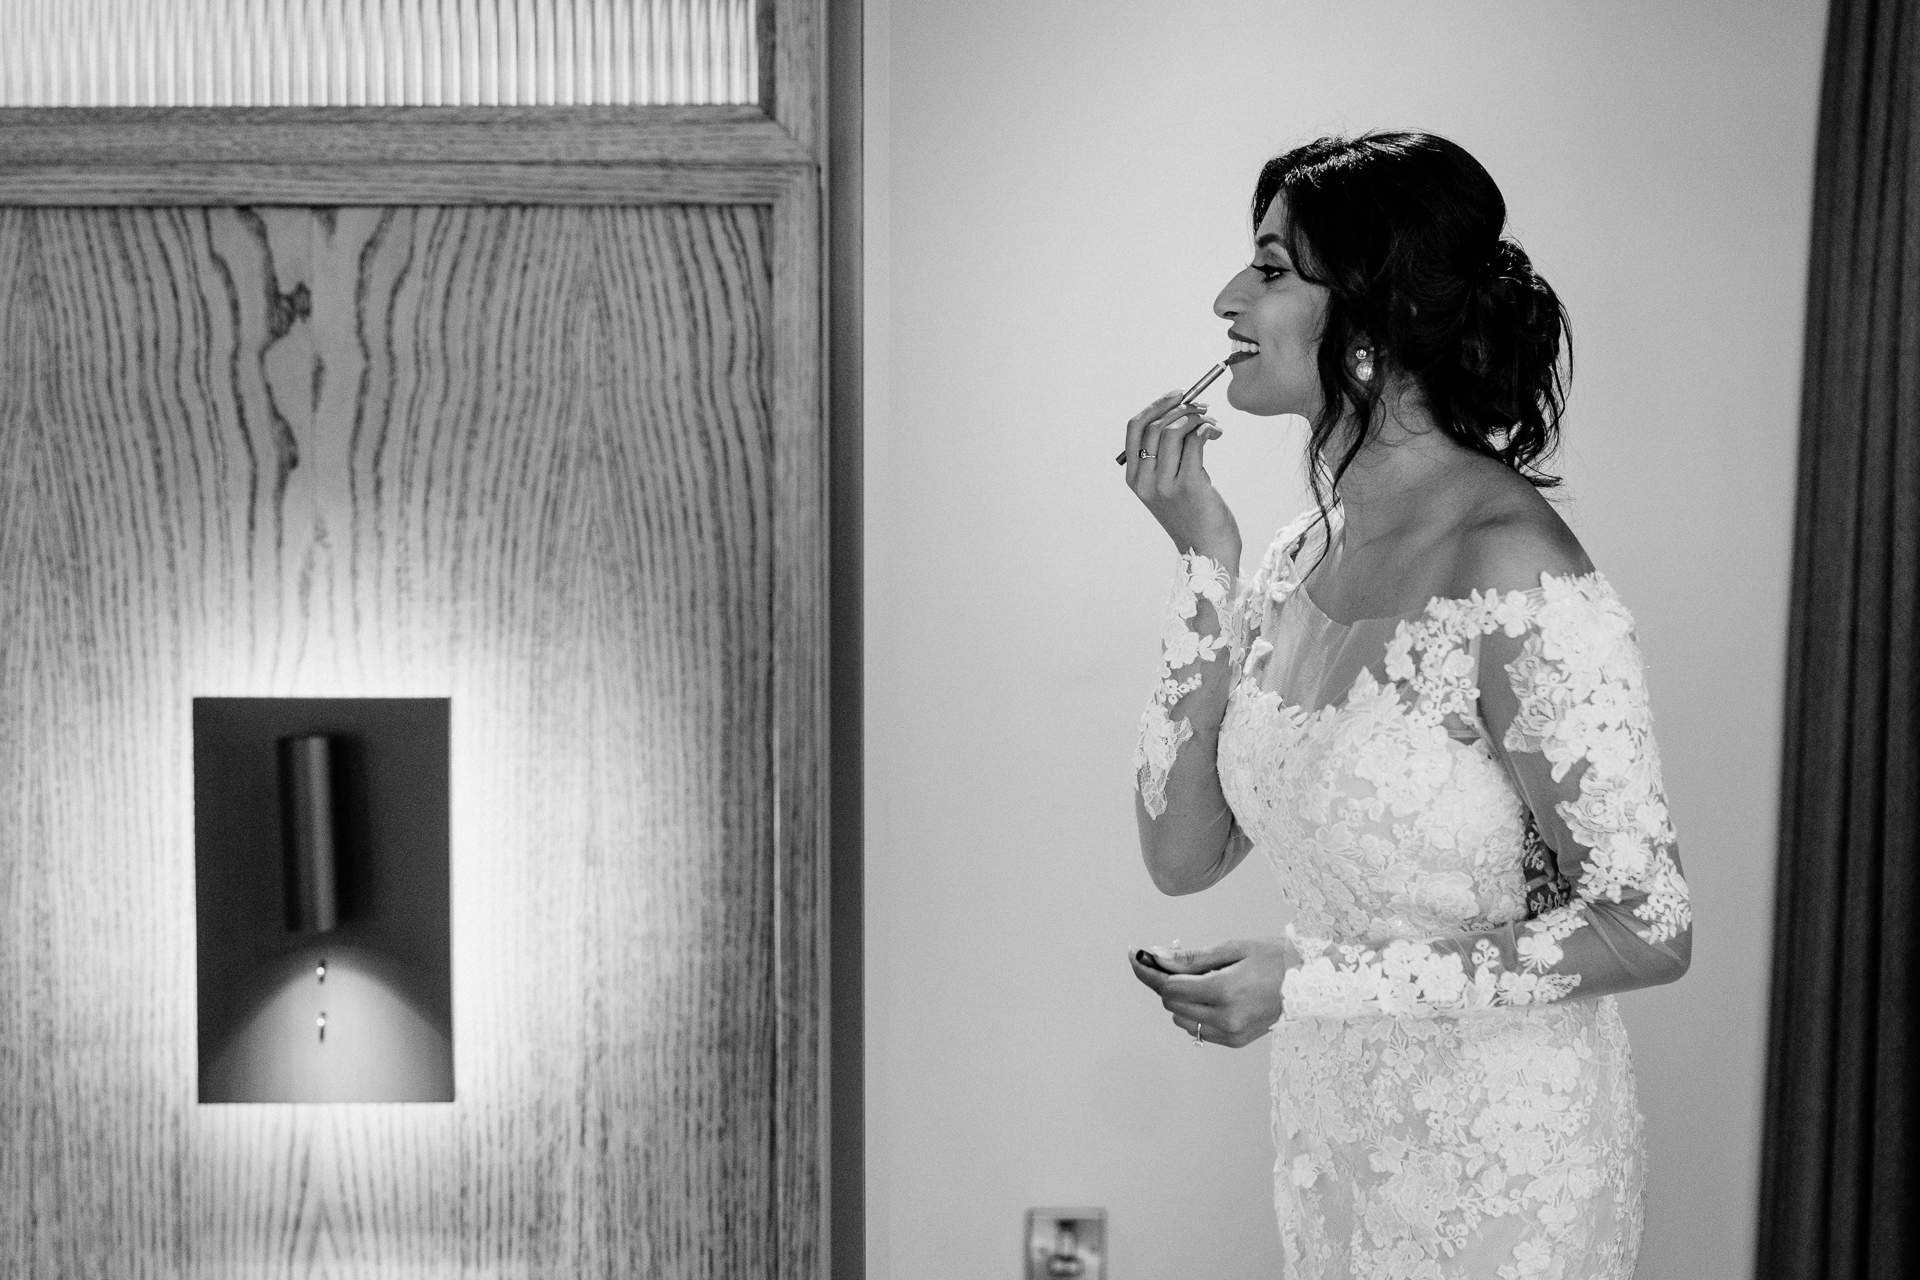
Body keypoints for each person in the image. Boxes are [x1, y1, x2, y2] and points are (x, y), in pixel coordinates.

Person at [1121, 131, 1692, 1279]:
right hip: (1339, 1150)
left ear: (1372, 325)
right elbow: (1182, 853)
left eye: (1274, 269)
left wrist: (1310, 982)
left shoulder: (1514, 562)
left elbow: (1650, 923)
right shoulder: (1291, 557)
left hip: (1502, 1169)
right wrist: (1205, 560)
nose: (1229, 297)